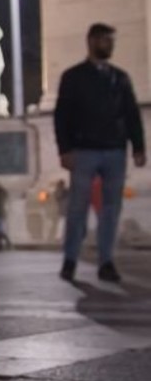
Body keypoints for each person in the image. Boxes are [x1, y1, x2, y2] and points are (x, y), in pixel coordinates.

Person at [54, 23, 146, 282]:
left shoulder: (121, 77)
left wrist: (138, 147)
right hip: (84, 151)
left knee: (111, 209)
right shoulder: (73, 77)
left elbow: (132, 114)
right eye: (106, 40)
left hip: (116, 150)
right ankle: (70, 259)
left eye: (111, 41)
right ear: (92, 41)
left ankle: (106, 261)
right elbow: (62, 116)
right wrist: (65, 149)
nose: (110, 45)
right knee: (77, 208)